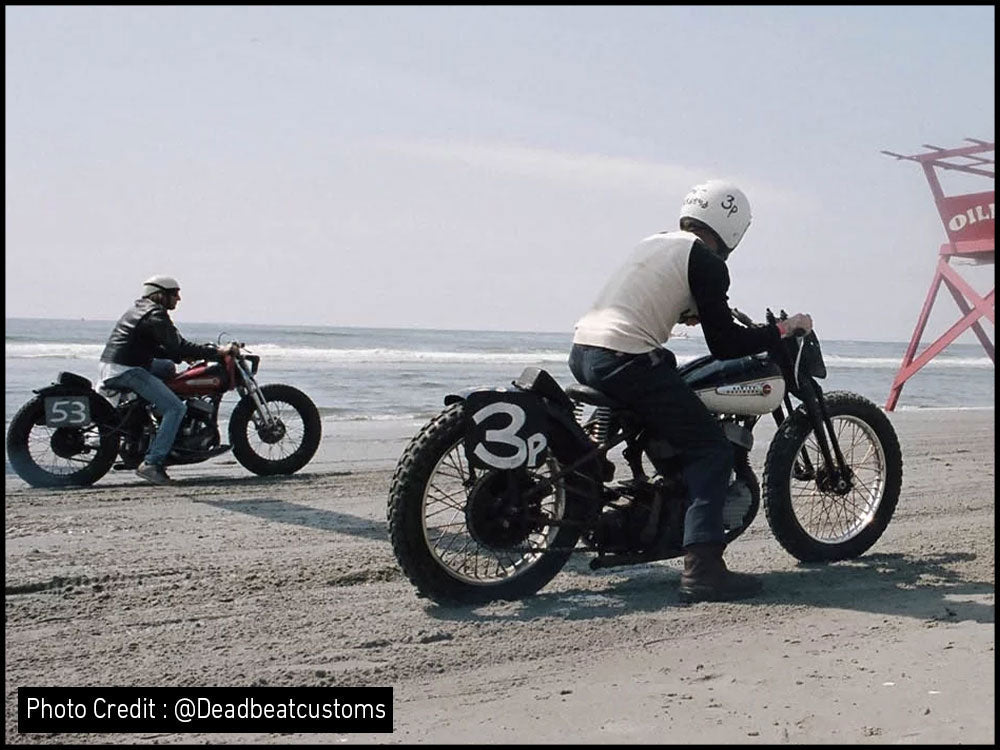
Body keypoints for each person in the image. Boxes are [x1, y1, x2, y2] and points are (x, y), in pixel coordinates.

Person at [568, 180, 813, 603]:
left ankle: (625, 475)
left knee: (665, 374)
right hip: (624, 358)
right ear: (734, 229)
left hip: (585, 351)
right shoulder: (707, 262)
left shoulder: (657, 242)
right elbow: (726, 345)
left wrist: (688, 310)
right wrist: (781, 329)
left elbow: (647, 296)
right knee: (711, 450)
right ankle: (703, 569)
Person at [98, 275, 237, 486]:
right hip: (127, 370)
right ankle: (152, 463)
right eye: (174, 293)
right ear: (160, 295)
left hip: (119, 364)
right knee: (175, 408)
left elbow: (154, 346)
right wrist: (217, 352)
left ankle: (153, 417)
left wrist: (179, 356)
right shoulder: (155, 314)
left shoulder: (140, 309)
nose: (178, 299)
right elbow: (177, 345)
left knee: (168, 368)